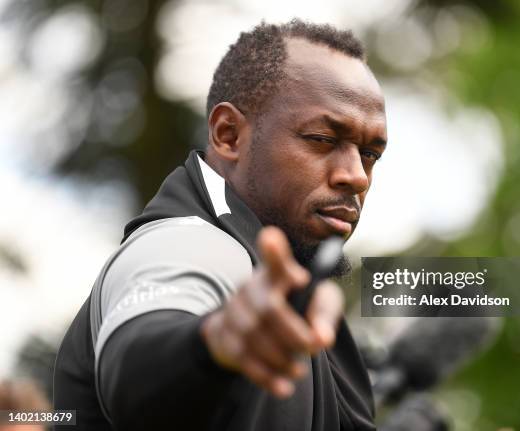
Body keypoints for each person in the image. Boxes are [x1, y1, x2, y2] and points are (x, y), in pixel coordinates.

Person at [53, 19, 387, 430]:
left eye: (370, 153)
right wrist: (212, 344)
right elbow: (139, 364)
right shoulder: (193, 243)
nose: (357, 176)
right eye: (321, 138)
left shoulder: (288, 292)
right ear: (228, 135)